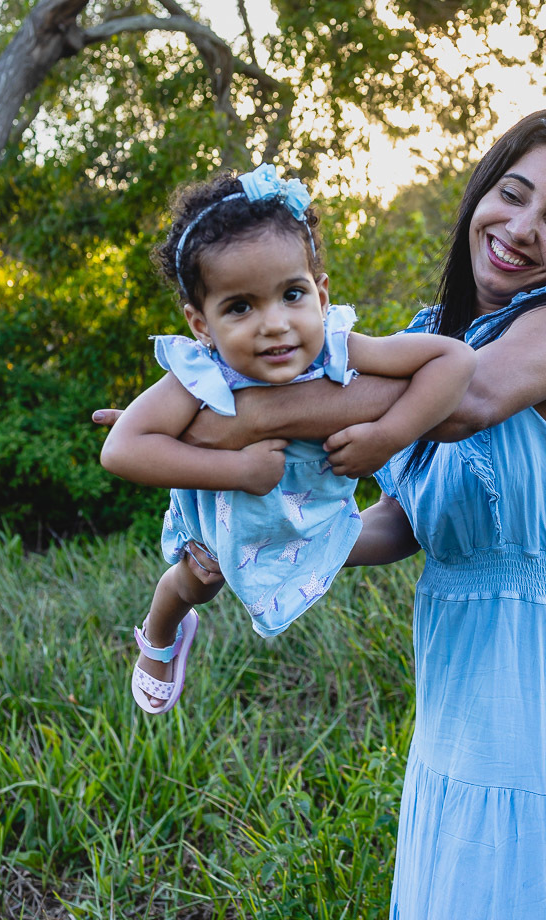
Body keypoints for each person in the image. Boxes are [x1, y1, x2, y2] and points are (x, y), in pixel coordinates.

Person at [95, 108, 546, 918]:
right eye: (511, 194)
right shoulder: (439, 334)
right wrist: (269, 541)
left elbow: (461, 400)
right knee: (458, 876)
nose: (520, 228)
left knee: (527, 880)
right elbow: (407, 521)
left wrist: (227, 421)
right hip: (462, 652)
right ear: (480, 193)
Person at [100, 164, 474, 716]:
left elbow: (454, 359)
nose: (274, 324)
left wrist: (386, 436)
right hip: (219, 531)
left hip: (311, 520)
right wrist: (239, 472)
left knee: (398, 539)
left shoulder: (340, 347)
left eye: (291, 294)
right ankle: (160, 637)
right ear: (201, 323)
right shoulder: (200, 373)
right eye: (240, 307)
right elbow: (122, 449)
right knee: (194, 584)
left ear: (321, 295)